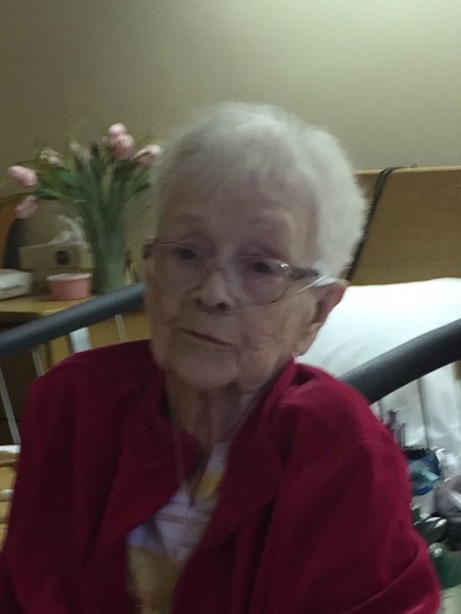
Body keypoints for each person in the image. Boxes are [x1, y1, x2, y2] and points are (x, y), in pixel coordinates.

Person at [0, 102, 440, 613]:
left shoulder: (345, 454)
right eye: (186, 253)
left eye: (261, 266)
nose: (213, 292)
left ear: (316, 312)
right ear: (151, 271)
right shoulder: (73, 401)